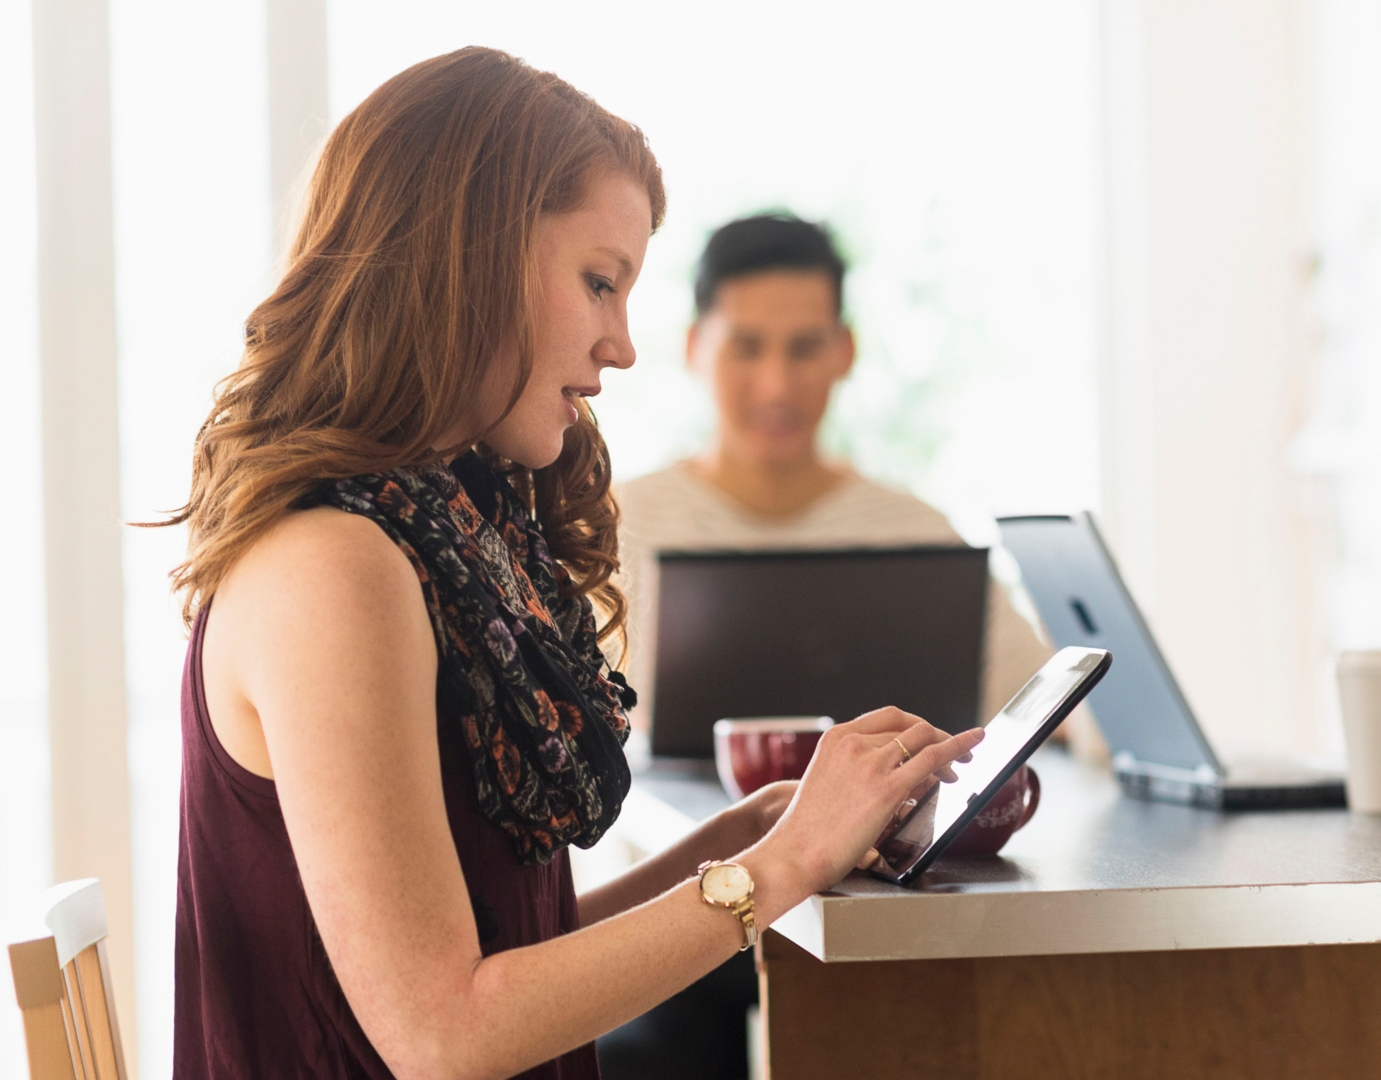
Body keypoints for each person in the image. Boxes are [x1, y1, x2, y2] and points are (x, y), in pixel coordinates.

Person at [167, 48, 981, 1080]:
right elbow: (445, 1034)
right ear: (462, 256)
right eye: (599, 282)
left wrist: (747, 840)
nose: (623, 345)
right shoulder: (333, 566)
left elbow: (503, 958)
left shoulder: (433, 535)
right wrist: (780, 869)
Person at [598, 215, 1085, 1078]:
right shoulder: (611, 527)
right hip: (671, 921)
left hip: (892, 913)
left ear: (846, 352)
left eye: (804, 346)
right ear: (693, 347)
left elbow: (1044, 707)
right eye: (747, 346)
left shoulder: (914, 530)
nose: (777, 381)